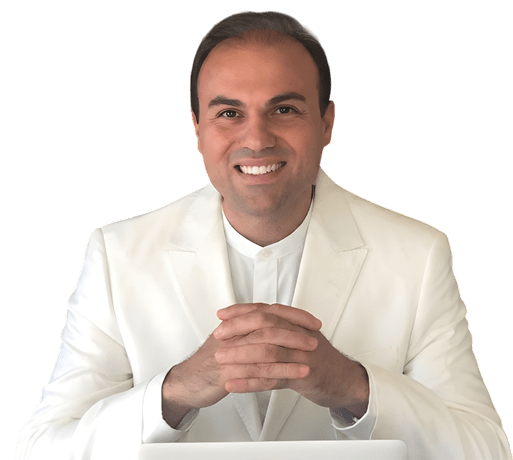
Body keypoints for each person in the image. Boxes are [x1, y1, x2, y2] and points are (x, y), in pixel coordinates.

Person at [15, 10, 511, 460]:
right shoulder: (117, 255)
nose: (256, 139)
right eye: (229, 113)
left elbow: (486, 450)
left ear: (327, 123)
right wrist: (176, 391)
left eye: (285, 109)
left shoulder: (417, 255)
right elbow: (40, 451)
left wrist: (354, 387)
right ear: (197, 129)